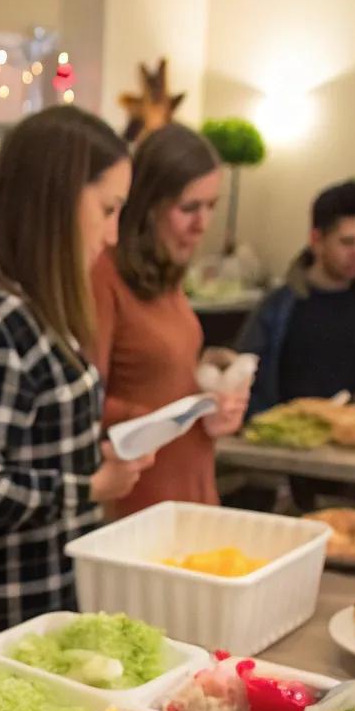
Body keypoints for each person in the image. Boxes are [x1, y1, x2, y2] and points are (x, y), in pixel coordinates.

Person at [0, 105, 153, 647]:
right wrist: (91, 485)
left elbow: (33, 447)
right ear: (57, 201)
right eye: (107, 209)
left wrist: (91, 455)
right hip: (8, 614)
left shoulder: (37, 308)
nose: (113, 234)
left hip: (48, 595)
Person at [91, 123, 250, 518]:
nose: (203, 224)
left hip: (193, 486)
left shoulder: (165, 274)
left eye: (211, 206)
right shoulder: (104, 276)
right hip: (142, 502)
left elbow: (163, 370)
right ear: (148, 205)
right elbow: (85, 402)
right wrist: (161, 417)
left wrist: (212, 395)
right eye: (189, 208)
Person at [240, 179, 355, 418]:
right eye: (347, 242)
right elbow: (247, 376)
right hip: (284, 430)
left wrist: (354, 412)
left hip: (351, 428)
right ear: (317, 241)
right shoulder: (278, 306)